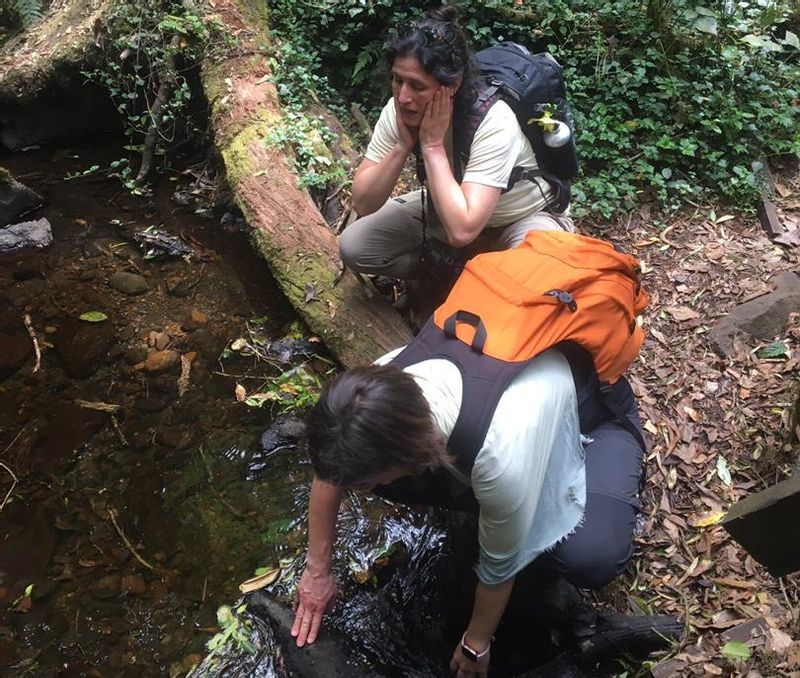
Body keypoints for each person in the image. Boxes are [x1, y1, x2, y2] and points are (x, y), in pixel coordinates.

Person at [290, 338, 645, 677]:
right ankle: (478, 501)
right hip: (506, 416)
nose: (361, 490)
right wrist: (317, 571)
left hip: (592, 418)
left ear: (409, 454)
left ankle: (611, 478)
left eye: (364, 484)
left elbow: (499, 567)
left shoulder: (498, 456)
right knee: (395, 480)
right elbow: (332, 468)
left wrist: (475, 645)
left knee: (589, 555)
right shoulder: (371, 395)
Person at [338, 4, 574, 282]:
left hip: (520, 217)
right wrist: (402, 146)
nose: (403, 97)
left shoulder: (494, 120)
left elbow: (462, 230)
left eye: (417, 86)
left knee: (530, 286)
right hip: (452, 209)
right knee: (356, 247)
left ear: (453, 85)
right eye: (397, 80)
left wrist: (433, 147)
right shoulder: (399, 110)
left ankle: (480, 282)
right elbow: (364, 203)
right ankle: (447, 275)